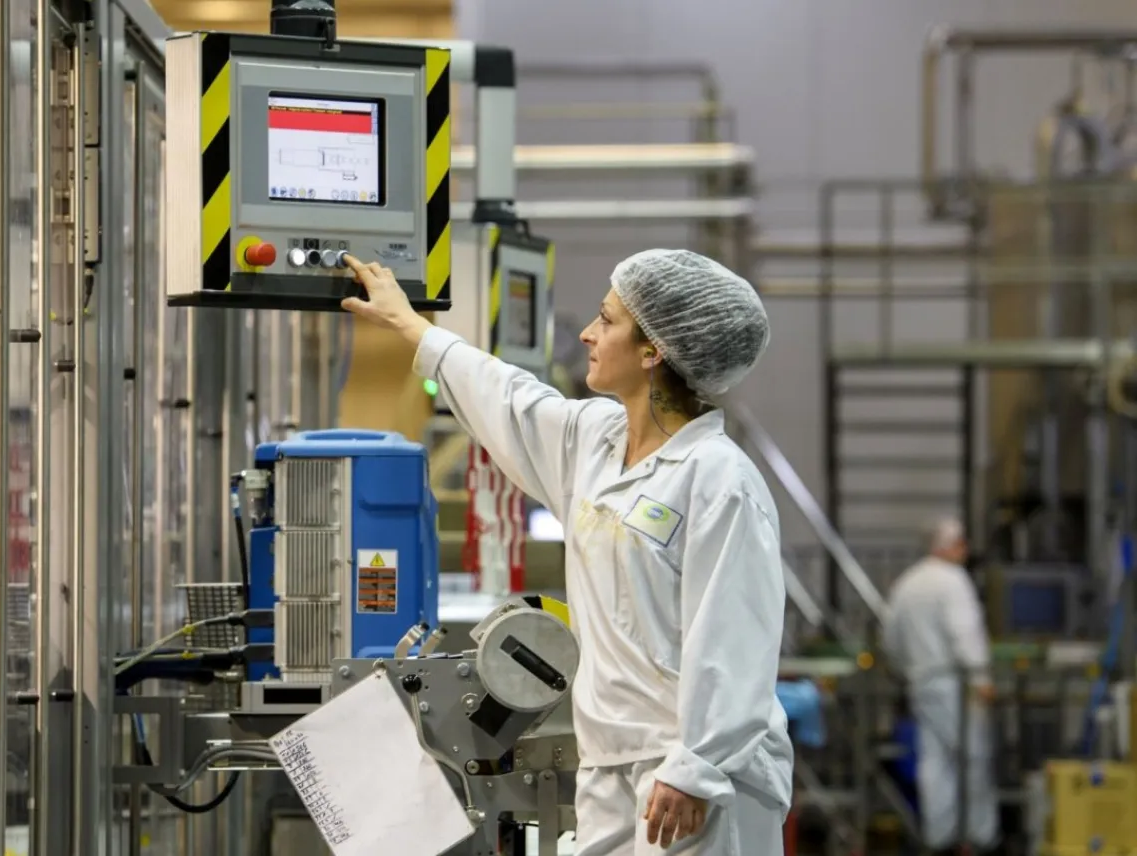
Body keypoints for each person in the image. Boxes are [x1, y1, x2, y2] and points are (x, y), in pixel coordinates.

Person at [341, 248, 794, 854]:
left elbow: (736, 639)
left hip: (696, 777)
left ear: (652, 350)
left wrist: (697, 767)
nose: (587, 333)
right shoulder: (597, 442)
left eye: (607, 321)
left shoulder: (718, 480)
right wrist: (410, 325)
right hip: (609, 758)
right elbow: (509, 399)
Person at [881, 518, 1000, 855]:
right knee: (972, 759)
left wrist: (909, 671)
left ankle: (939, 837)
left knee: (934, 762)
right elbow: (964, 633)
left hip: (922, 684)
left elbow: (891, 640)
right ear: (951, 545)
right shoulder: (952, 582)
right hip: (956, 685)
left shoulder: (908, 583)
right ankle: (979, 838)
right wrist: (982, 679)